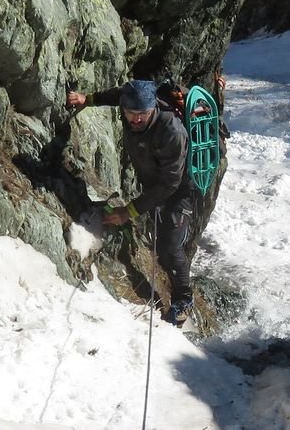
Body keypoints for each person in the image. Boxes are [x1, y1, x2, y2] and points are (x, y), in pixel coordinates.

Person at [66, 78, 196, 325]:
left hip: (180, 188)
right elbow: (118, 94)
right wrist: (88, 99)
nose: (135, 119)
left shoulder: (171, 131)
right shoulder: (131, 102)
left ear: (153, 110)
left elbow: (171, 183)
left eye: (142, 114)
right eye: (130, 113)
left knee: (169, 247)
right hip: (154, 183)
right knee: (158, 236)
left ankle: (183, 301)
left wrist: (130, 211)